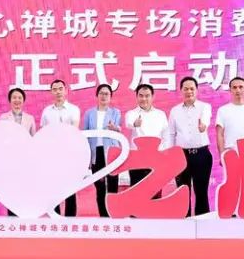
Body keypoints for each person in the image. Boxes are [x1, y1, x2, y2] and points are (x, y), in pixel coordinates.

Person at [169, 77, 213, 217]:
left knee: (201, 192)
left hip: (201, 155)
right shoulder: (175, 111)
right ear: (181, 91)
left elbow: (205, 121)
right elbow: (171, 134)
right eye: (186, 89)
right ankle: (184, 224)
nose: (189, 91)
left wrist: (203, 126)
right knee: (182, 192)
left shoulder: (205, 107)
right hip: (181, 156)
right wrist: (170, 156)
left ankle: (203, 223)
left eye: (192, 88)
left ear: (197, 90)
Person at [40, 79, 82, 216]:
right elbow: (43, 134)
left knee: (70, 188)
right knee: (53, 187)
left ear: (66, 91)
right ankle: (55, 216)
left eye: (60, 89)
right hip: (52, 155)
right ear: (51, 92)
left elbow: (74, 130)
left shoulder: (74, 109)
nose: (58, 92)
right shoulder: (47, 112)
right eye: (55, 89)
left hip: (69, 154)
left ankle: (70, 219)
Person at [82, 84, 121, 217]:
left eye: (107, 94)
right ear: (97, 96)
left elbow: (119, 129)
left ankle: (113, 215)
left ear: (110, 97)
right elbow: (85, 134)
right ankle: (103, 216)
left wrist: (114, 128)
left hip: (111, 152)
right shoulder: (89, 113)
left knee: (112, 185)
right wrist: (86, 156)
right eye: (101, 93)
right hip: (95, 153)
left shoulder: (115, 112)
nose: (104, 96)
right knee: (99, 187)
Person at [124, 83, 170, 189]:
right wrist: (135, 124)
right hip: (137, 160)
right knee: (136, 190)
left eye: (147, 96)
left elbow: (166, 136)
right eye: (141, 96)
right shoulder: (131, 114)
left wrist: (164, 154)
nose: (144, 99)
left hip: (156, 159)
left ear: (152, 97)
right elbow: (128, 124)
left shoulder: (160, 114)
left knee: (156, 191)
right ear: (136, 97)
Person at [0, 87, 36, 216]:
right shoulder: (3, 118)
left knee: (25, 188)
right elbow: (0, 139)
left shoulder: (30, 118)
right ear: (10, 100)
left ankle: (24, 216)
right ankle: (12, 218)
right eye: (14, 97)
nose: (17, 100)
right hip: (10, 159)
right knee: (11, 189)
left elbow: (33, 139)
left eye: (19, 98)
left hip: (25, 160)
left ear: (23, 101)